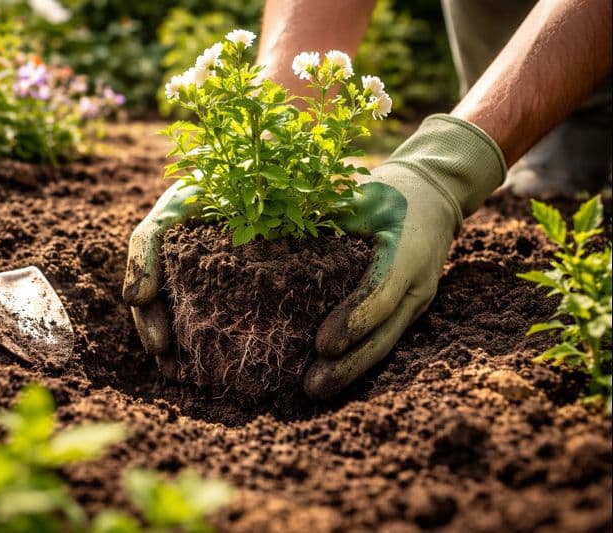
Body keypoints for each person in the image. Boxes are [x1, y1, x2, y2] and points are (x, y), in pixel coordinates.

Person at [122, 0, 612, 399]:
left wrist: (449, 165)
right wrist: (270, 125)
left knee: (566, 202)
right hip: (510, 60)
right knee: (550, 176)